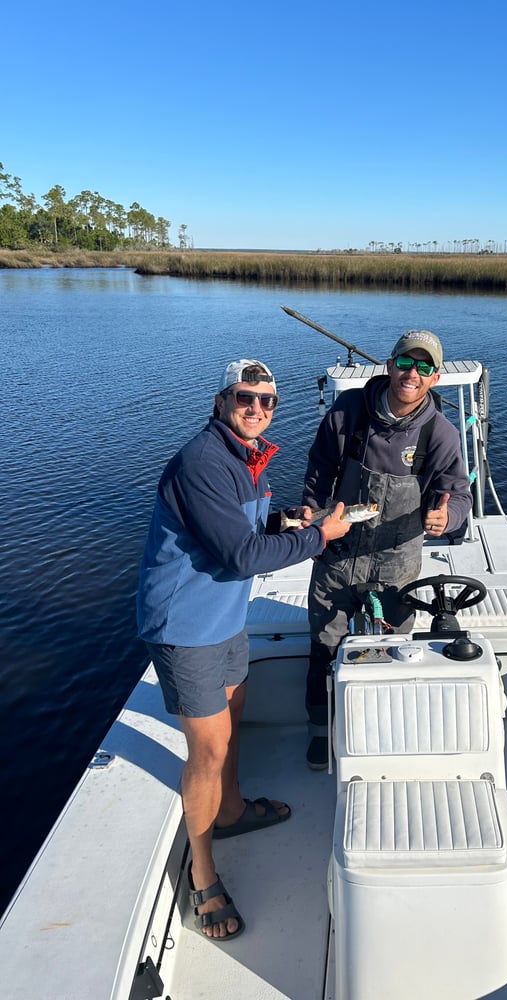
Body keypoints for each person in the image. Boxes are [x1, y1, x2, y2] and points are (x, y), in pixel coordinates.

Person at [136, 359, 351, 943]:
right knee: (207, 750)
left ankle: (229, 812)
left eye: (267, 400)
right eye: (244, 397)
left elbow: (247, 528)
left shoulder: (247, 456)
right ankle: (203, 876)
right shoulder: (204, 461)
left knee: (232, 720)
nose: (256, 407)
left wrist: (288, 519)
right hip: (185, 625)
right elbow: (242, 556)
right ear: (221, 400)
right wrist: (317, 538)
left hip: (224, 617)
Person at [302, 330, 473, 768]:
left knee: (398, 652)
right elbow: (320, 469)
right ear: (389, 363)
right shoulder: (349, 411)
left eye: (424, 367)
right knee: (324, 648)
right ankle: (322, 733)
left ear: (434, 378)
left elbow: (459, 497)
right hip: (337, 555)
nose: (411, 374)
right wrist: (315, 517)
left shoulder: (441, 434)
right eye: (405, 362)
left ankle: (385, 732)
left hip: (397, 564)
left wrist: (446, 518)